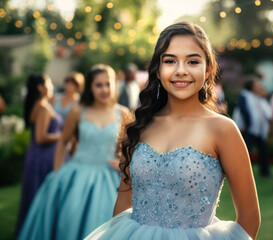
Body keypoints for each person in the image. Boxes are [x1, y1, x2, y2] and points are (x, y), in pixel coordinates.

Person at [85, 22, 260, 240]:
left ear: (208, 70)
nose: (181, 71)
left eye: (193, 61)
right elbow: (123, 203)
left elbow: (250, 217)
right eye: (170, 61)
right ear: (158, 70)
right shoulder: (141, 125)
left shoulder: (223, 130)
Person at [17, 65, 128, 240]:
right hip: (77, 173)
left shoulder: (124, 113)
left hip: (108, 178)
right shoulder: (78, 111)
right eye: (98, 85)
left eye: (108, 84)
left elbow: (129, 148)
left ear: (114, 84)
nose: (104, 89)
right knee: (69, 220)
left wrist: (122, 161)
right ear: (90, 87)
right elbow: (63, 142)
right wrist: (56, 171)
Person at [16, 74, 62, 233]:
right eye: (49, 83)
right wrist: (63, 135)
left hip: (38, 155)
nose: (52, 86)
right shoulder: (42, 107)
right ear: (40, 87)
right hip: (43, 158)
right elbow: (41, 137)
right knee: (40, 196)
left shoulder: (41, 105)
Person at [233, 77, 273, 177]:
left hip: (258, 129)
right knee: (246, 151)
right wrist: (246, 124)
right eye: (256, 85)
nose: (258, 86)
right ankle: (241, 172)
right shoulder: (244, 95)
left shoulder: (257, 96)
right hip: (248, 129)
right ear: (251, 86)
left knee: (263, 151)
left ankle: (265, 171)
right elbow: (243, 110)